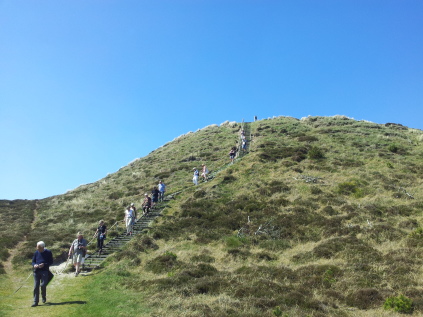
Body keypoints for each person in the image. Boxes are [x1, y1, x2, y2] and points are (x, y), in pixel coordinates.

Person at [31, 241, 53, 307]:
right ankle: (35, 301)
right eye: (37, 247)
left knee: (43, 285)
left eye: (39, 248)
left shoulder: (48, 252)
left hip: (44, 271)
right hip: (36, 271)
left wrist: (44, 264)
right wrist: (34, 265)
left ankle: (43, 296)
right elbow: (33, 261)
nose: (37, 249)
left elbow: (51, 262)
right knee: (36, 286)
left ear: (43, 247)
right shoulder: (36, 252)